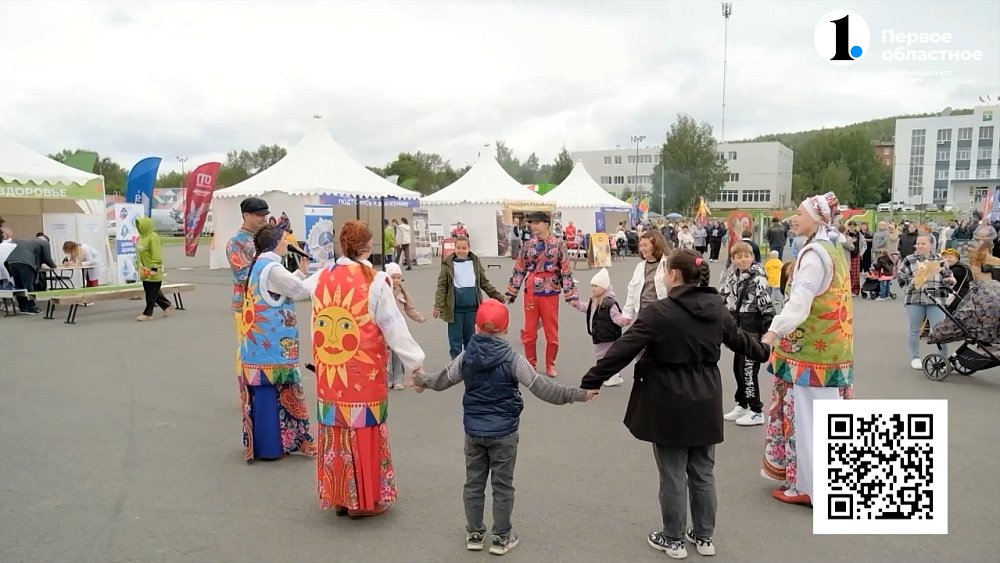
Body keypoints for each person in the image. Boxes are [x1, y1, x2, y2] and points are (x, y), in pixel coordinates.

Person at [580, 250, 770, 559]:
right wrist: (766, 350)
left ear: (673, 275)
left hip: (668, 398)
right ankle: (704, 536)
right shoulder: (717, 308)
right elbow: (741, 341)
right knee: (703, 471)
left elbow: (623, 349)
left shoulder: (659, 312)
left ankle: (673, 538)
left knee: (672, 472)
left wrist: (592, 379)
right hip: (706, 397)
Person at [413, 299, 596, 556]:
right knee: (502, 486)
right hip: (505, 433)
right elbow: (543, 389)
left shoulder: (466, 358)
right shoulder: (514, 361)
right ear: (506, 330)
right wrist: (578, 394)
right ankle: (501, 537)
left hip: (474, 432)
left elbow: (443, 380)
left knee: (474, 483)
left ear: (476, 328)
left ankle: (475, 533)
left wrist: (421, 379)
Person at [312, 220, 426, 518]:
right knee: (364, 432)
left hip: (330, 375)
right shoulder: (375, 281)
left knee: (336, 432)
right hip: (364, 375)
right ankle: (364, 501)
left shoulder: (322, 276)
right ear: (366, 246)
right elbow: (393, 326)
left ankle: (340, 496)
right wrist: (415, 364)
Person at [760, 192, 855, 507]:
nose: (793, 218)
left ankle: (811, 488)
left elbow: (800, 302)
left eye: (799, 213)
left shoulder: (814, 254)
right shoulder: (834, 249)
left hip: (811, 355)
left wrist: (772, 333)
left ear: (817, 218)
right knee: (823, 420)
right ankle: (818, 484)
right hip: (832, 351)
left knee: (807, 420)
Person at [237, 223, 317, 461]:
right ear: (275, 242)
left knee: (265, 395)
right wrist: (322, 276)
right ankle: (287, 443)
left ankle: (268, 445)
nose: (287, 242)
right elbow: (300, 291)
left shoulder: (260, 264)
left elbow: (283, 288)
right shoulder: (272, 267)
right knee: (282, 392)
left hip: (257, 346)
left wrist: (301, 271)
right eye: (284, 239)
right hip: (274, 345)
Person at [505, 211, 580, 377]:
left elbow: (565, 270)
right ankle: (531, 364)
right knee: (530, 331)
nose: (534, 226)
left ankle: (550, 364)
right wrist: (512, 291)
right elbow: (520, 268)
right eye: (532, 223)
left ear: (546, 224)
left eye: (537, 223)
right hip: (531, 290)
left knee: (551, 331)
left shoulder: (558, 244)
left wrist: (570, 295)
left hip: (550, 291)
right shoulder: (528, 245)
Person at [719, 242, 774, 427]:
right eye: (739, 257)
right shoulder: (733, 276)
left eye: (747, 256)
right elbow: (722, 296)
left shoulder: (758, 278)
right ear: (733, 259)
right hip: (738, 328)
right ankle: (742, 404)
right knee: (738, 368)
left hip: (753, 329)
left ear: (753, 256)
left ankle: (756, 410)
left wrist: (767, 334)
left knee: (749, 371)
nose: (743, 260)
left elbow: (767, 306)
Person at [434, 236, 505, 359]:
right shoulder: (448, 265)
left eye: (464, 248)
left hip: (473, 309)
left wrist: (499, 297)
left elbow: (484, 283)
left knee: (471, 341)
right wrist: (438, 306)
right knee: (455, 342)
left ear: (469, 248)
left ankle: (469, 366)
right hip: (455, 311)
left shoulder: (475, 263)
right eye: (458, 248)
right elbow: (442, 287)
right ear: (454, 248)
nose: (461, 251)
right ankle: (455, 367)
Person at [897, 233, 955, 369]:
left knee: (940, 330)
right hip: (914, 297)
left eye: (923, 243)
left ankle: (943, 358)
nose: (919, 246)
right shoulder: (909, 259)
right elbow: (901, 278)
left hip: (936, 298)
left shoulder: (940, 259)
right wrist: (912, 282)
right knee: (914, 329)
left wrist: (950, 280)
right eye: (918, 243)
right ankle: (915, 357)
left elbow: (948, 276)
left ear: (931, 245)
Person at [928, 243, 1000, 348]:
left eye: (951, 257)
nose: (948, 258)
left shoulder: (959, 268)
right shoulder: (966, 266)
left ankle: (944, 329)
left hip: (964, 295)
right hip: (976, 294)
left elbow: (951, 275)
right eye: (946, 257)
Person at [576, 267, 627, 387]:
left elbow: (616, 316)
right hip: (600, 334)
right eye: (592, 286)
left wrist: (622, 321)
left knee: (606, 357)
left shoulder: (609, 303)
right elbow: (588, 308)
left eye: (596, 286)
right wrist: (577, 305)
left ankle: (614, 376)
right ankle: (610, 375)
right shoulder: (595, 301)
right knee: (602, 356)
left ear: (604, 288)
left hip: (607, 335)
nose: (593, 289)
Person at [383, 262, 426, 389]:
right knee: (386, 355)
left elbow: (410, 309)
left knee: (398, 354)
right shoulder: (384, 292)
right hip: (385, 329)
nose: (396, 280)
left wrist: (419, 317)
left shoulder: (404, 294)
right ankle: (388, 379)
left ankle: (398, 379)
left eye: (398, 277)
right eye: (393, 277)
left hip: (399, 329)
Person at [621, 230, 670, 326]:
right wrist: (627, 314)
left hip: (662, 313)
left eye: (645, 245)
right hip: (642, 313)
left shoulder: (668, 264)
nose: (642, 249)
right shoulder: (640, 266)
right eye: (640, 245)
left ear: (656, 245)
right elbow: (632, 290)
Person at [3, 232, 57, 314]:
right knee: (28, 285)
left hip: (11, 262)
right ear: (47, 240)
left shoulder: (27, 240)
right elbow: (47, 258)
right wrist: (54, 266)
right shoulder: (44, 243)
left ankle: (23, 307)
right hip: (25, 263)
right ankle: (31, 307)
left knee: (19, 286)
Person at [135, 217, 172, 321]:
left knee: (151, 293)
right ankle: (167, 306)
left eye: (140, 225)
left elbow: (157, 255)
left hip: (153, 271)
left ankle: (148, 313)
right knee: (151, 291)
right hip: (144, 271)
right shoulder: (141, 238)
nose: (139, 227)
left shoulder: (153, 237)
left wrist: (154, 269)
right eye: (138, 225)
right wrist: (137, 264)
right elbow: (138, 253)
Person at [845, 221, 864, 296]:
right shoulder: (846, 234)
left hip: (856, 256)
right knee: (848, 274)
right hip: (847, 255)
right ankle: (848, 289)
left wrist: (861, 253)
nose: (852, 227)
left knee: (855, 274)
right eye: (850, 226)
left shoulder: (859, 234)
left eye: (853, 226)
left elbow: (863, 244)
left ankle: (855, 290)